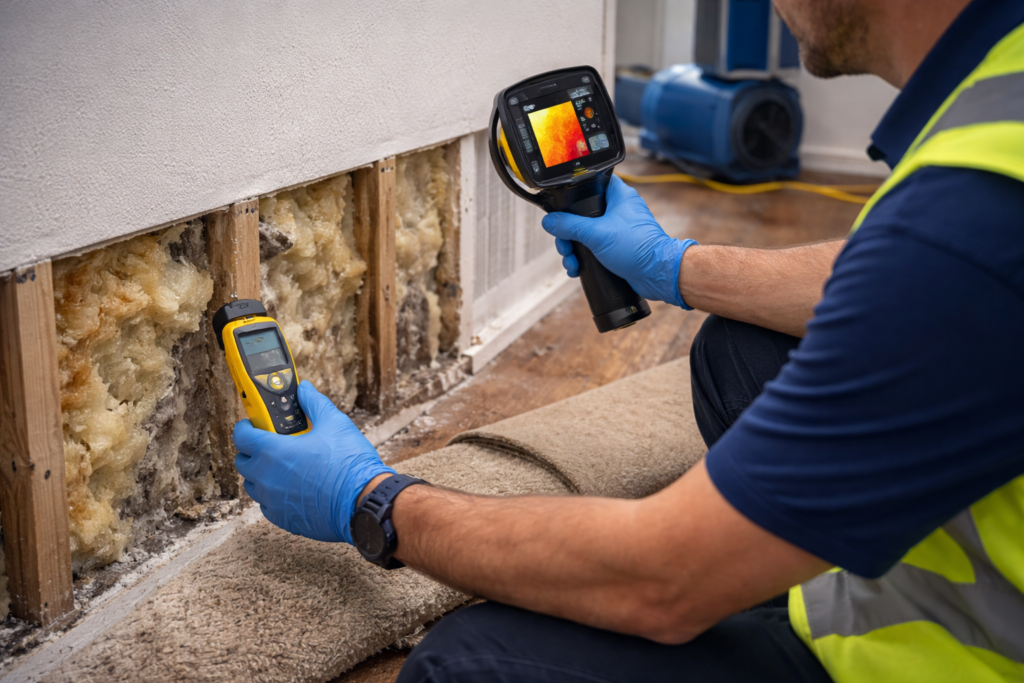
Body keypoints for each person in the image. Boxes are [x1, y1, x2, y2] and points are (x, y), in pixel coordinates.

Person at [232, 0, 1024, 680]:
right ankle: (781, 550)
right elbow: (887, 275)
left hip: (965, 656)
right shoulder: (998, 109)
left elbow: (661, 577)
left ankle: (769, 566)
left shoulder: (972, 219)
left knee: (469, 661)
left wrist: (373, 502)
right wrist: (671, 266)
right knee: (736, 351)